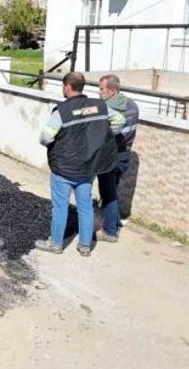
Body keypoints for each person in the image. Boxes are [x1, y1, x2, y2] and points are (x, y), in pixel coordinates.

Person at [35, 72, 123, 256]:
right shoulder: (99, 106)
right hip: (87, 167)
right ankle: (85, 246)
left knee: (60, 206)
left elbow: (46, 137)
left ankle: (56, 243)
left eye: (63, 86)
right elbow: (119, 120)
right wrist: (105, 135)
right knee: (85, 206)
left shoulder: (62, 111)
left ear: (67, 87)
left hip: (64, 168)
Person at [96, 74, 140, 243]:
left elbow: (103, 134)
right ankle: (113, 222)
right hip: (124, 154)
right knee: (112, 190)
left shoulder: (108, 110)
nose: (99, 92)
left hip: (111, 155)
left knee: (108, 193)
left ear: (112, 91)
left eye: (101, 89)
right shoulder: (133, 105)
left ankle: (110, 231)